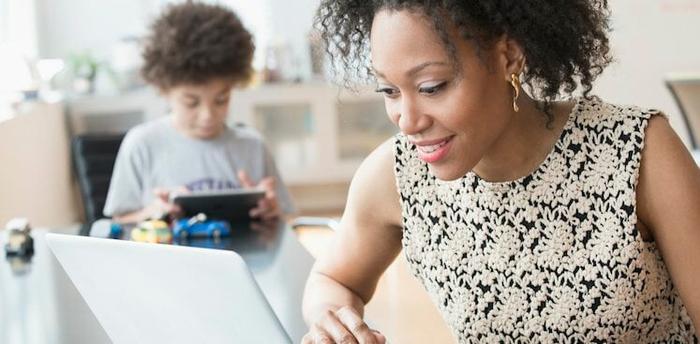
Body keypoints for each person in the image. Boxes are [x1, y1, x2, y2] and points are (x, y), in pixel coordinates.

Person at [302, 1, 700, 343]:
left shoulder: (639, 152)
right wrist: (333, 320)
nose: (406, 121)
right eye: (389, 91)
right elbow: (333, 281)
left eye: (431, 87)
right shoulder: (396, 176)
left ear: (508, 56)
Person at [104, 1, 294, 224]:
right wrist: (152, 212)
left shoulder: (252, 146)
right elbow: (118, 223)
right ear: (165, 90)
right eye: (191, 102)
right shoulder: (142, 144)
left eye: (221, 99)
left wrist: (272, 211)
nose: (208, 115)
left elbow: (287, 218)